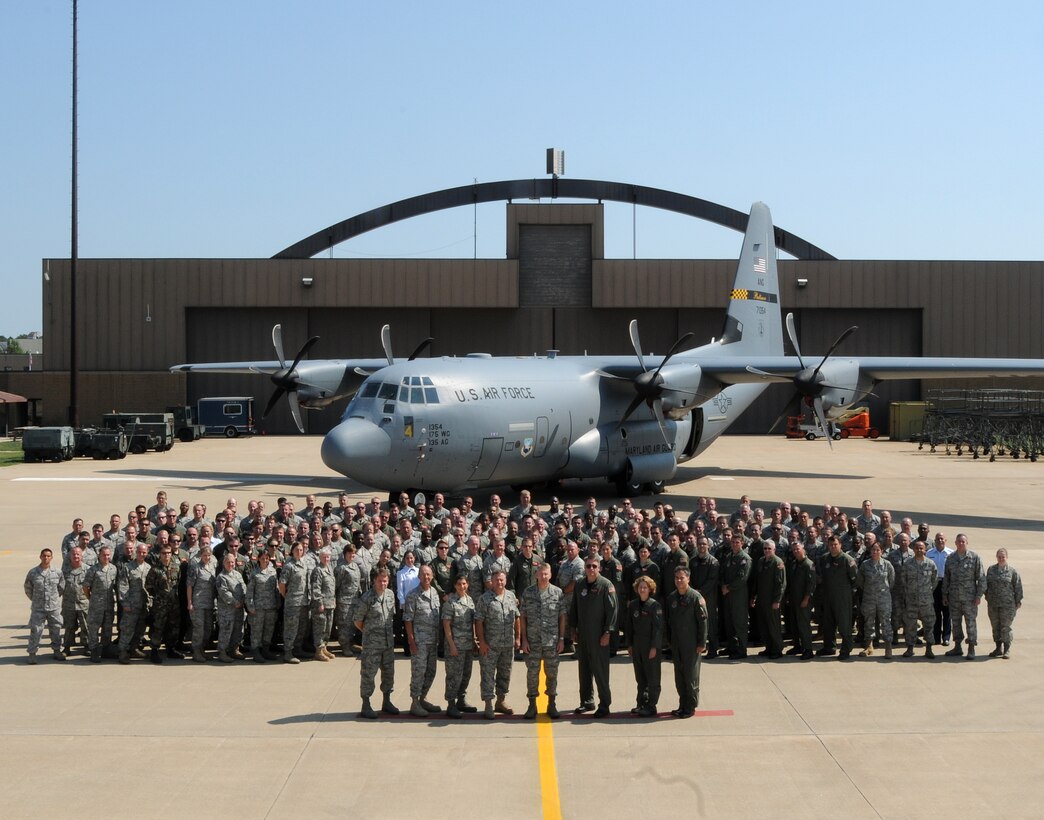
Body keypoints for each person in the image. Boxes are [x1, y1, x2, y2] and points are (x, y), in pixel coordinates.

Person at [569, 557, 618, 718]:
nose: (591, 569)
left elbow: (612, 610)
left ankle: (604, 704)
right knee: (584, 670)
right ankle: (587, 701)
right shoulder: (580, 584)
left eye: (594, 566)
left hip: (599, 636)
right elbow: (574, 607)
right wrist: (573, 628)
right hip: (583, 635)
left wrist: (607, 632)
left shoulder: (606, 585)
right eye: (588, 566)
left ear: (599, 568)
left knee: (600, 671)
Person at [519, 562, 565, 720]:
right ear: (536, 575)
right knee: (532, 673)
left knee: (552, 673)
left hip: (552, 641)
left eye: (546, 574)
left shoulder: (558, 593)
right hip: (532, 642)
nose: (544, 576)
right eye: (541, 574)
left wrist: (561, 639)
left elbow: (562, 617)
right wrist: (524, 640)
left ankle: (551, 704)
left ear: (550, 575)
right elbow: (522, 618)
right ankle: (532, 705)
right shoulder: (528, 593)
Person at [475, 570, 521, 719]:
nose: (499, 582)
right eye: (496, 580)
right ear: (491, 582)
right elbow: (479, 621)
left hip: (508, 644)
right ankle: (488, 704)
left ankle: (500, 701)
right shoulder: (485, 599)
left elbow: (517, 617)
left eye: (501, 580)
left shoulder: (511, 596)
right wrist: (481, 642)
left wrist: (518, 637)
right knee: (488, 675)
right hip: (490, 645)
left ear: (505, 581)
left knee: (505, 674)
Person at [353, 568, 398, 719]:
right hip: (372, 645)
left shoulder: (391, 595)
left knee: (389, 674)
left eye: (385, 581)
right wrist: (369, 632)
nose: (382, 584)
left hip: (388, 643)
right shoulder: (367, 598)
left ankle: (387, 701)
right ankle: (366, 704)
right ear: (374, 580)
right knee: (368, 674)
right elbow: (358, 620)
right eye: (380, 580)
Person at [665, 567, 708, 718]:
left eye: (681, 578)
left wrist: (701, 642)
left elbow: (703, 621)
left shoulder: (696, 597)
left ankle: (690, 706)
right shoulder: (672, 598)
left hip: (691, 644)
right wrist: (669, 641)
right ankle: (682, 704)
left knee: (691, 676)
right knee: (679, 676)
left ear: (688, 579)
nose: (678, 580)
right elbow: (669, 622)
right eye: (676, 578)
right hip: (677, 643)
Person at [404, 565, 442, 716]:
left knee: (431, 672)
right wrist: (411, 640)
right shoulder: (413, 595)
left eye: (429, 574)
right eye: (423, 574)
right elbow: (408, 620)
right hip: (419, 641)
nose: (426, 577)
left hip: (433, 640)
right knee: (418, 673)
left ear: (432, 576)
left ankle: (423, 698)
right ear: (419, 577)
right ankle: (414, 702)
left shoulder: (434, 593)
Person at [624, 575, 663, 717]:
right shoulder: (633, 605)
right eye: (640, 587)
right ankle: (641, 703)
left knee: (652, 676)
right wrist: (629, 644)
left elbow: (658, 629)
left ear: (650, 589)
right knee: (640, 677)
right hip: (637, 644)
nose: (642, 589)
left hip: (649, 645)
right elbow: (629, 626)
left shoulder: (654, 606)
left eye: (645, 587)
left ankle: (651, 705)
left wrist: (654, 647)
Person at [943, 534, 986, 659]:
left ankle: (971, 647)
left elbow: (981, 579)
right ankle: (957, 646)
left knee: (970, 623)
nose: (961, 543)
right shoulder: (950, 558)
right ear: (955, 543)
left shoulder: (974, 557)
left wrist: (978, 596)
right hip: (954, 598)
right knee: (955, 623)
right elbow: (947, 578)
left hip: (970, 599)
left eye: (963, 541)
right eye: (959, 542)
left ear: (967, 543)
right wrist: (945, 595)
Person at [442, 575, 478, 718]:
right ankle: (451, 704)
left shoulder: (469, 601)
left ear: (467, 585)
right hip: (455, 646)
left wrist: (474, 640)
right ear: (455, 586)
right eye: (459, 584)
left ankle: (461, 701)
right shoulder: (450, 602)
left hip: (468, 645)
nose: (462, 586)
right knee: (453, 676)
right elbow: (446, 625)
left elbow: (473, 623)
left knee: (466, 675)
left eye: (464, 584)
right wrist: (451, 645)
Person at [816, 536, 857, 659]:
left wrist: (851, 597)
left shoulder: (847, 560)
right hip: (828, 597)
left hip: (843, 598)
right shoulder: (824, 559)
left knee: (844, 625)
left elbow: (855, 580)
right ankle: (829, 647)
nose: (833, 547)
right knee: (828, 624)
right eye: (831, 545)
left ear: (840, 545)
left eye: (835, 544)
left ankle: (846, 649)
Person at [24, 548, 65, 664]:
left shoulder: (57, 572)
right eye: (44, 556)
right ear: (40, 557)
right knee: (36, 630)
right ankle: (32, 653)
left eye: (48, 556)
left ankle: (57, 651)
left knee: (56, 629)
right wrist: (36, 599)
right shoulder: (33, 572)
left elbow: (61, 587)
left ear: (51, 558)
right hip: (38, 608)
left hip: (53, 607)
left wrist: (54, 599)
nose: (46, 558)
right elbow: (28, 588)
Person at [856, 541, 895, 658]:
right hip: (869, 598)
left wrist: (882, 591)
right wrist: (869, 591)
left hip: (884, 599)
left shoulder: (887, 565)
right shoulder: (865, 565)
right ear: (870, 551)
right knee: (869, 622)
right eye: (873, 550)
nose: (875, 552)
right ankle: (868, 646)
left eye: (878, 550)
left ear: (882, 551)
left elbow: (892, 581)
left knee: (886, 622)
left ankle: (888, 647)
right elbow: (860, 581)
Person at [145, 543, 182, 662]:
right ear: (160, 555)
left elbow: (179, 583)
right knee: (158, 628)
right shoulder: (155, 569)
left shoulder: (176, 567)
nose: (166, 555)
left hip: (174, 603)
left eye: (168, 553)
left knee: (173, 627)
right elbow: (149, 586)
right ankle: (154, 651)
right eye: (164, 553)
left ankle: (170, 649)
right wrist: (156, 599)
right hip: (160, 605)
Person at [901, 541, 938, 658]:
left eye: (921, 548)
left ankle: (929, 649)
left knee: (929, 625)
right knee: (911, 625)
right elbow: (903, 580)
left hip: (926, 601)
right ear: (914, 550)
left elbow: (935, 580)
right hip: (911, 601)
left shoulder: (931, 564)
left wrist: (927, 592)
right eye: (917, 548)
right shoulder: (908, 564)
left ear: (925, 550)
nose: (919, 550)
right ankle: (910, 648)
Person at [117, 544, 152, 664]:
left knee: (140, 629)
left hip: (144, 605)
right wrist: (125, 603)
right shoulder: (128, 567)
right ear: (136, 552)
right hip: (131, 604)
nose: (142, 554)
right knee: (127, 628)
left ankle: (134, 649)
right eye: (140, 552)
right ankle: (123, 651)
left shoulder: (148, 567)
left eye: (144, 552)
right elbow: (122, 586)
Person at [985, 548, 1022, 659]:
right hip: (993, 604)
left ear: (1006, 557)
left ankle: (1007, 649)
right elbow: (986, 585)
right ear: (996, 557)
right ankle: (998, 648)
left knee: (1005, 627)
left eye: (1003, 557)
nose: (1001, 559)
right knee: (995, 626)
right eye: (999, 557)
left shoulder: (1012, 571)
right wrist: (988, 598)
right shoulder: (991, 570)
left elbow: (1018, 587)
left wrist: (1018, 601)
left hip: (1007, 605)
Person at [83, 544, 118, 662]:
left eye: (108, 555)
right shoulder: (93, 570)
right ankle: (94, 650)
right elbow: (86, 586)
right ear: (99, 555)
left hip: (109, 605)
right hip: (96, 605)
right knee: (93, 628)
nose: (106, 557)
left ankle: (105, 650)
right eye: (104, 555)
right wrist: (91, 598)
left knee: (107, 629)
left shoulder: (113, 569)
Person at [752, 539, 785, 658]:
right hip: (762, 599)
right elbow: (758, 581)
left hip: (772, 600)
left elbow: (781, 584)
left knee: (773, 626)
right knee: (764, 626)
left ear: (774, 550)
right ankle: (769, 648)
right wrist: (754, 596)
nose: (766, 550)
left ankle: (777, 649)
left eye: (769, 549)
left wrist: (777, 600)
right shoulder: (761, 561)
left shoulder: (777, 562)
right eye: (765, 548)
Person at [721, 533, 752, 659]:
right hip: (727, 594)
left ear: (742, 543)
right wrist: (723, 585)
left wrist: (728, 587)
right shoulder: (729, 556)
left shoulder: (745, 558)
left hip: (738, 595)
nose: (734, 544)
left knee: (739, 623)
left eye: (737, 542)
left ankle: (742, 650)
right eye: (733, 542)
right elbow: (723, 572)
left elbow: (742, 578)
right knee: (729, 622)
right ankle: (732, 647)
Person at [278, 541, 310, 664]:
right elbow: (282, 584)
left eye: (301, 550)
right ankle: (288, 652)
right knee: (291, 627)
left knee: (301, 627)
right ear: (292, 551)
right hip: (292, 602)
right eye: (296, 550)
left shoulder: (304, 563)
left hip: (303, 601)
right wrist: (286, 595)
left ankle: (298, 649)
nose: (299, 552)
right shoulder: (289, 565)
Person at [246, 549, 280, 662]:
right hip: (258, 607)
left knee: (268, 629)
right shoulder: (254, 573)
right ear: (258, 559)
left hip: (270, 606)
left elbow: (276, 589)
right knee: (256, 630)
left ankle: (265, 650)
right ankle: (255, 651)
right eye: (262, 558)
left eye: (267, 558)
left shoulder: (273, 571)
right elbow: (249, 592)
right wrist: (250, 607)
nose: (265, 560)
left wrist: (277, 602)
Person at [785, 542, 816, 660]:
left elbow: (811, 585)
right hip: (794, 599)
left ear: (803, 549)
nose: (795, 551)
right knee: (794, 625)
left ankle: (808, 649)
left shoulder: (809, 564)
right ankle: (797, 646)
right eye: (793, 550)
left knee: (804, 626)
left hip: (804, 600)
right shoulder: (794, 563)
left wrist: (806, 599)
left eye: (797, 549)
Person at [186, 544, 218, 662]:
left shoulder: (213, 566)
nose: (207, 557)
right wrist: (190, 603)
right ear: (200, 556)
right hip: (198, 603)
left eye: (209, 555)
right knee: (199, 629)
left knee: (208, 628)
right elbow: (189, 586)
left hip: (209, 603)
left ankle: (202, 650)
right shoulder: (196, 567)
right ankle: (196, 651)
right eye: (205, 555)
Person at [215, 552, 247, 662]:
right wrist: (235, 602)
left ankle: (234, 650)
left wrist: (243, 600)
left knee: (238, 630)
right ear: (224, 563)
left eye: (232, 562)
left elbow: (244, 588)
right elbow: (224, 593)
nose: (231, 564)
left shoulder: (237, 574)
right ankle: (222, 652)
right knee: (226, 630)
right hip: (227, 610)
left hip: (239, 609)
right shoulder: (221, 577)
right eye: (228, 562)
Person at [334, 544, 363, 656]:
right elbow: (336, 585)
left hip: (355, 600)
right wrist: (335, 600)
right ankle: (344, 646)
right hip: (344, 601)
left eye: (353, 553)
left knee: (352, 625)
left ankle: (350, 644)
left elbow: (358, 583)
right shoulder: (341, 568)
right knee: (344, 625)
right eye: (349, 553)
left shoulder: (355, 566)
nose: (352, 555)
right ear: (344, 554)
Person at [61, 546, 90, 656]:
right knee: (69, 627)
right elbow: (59, 586)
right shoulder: (64, 571)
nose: (76, 556)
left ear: (82, 556)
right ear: (69, 556)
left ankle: (87, 646)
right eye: (73, 554)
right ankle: (67, 648)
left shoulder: (88, 570)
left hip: (84, 603)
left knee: (86, 627)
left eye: (78, 554)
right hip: (69, 604)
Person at [926, 532, 953, 646]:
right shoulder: (929, 553)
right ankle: (936, 637)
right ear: (935, 541)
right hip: (934, 584)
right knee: (935, 612)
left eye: (942, 538)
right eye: (938, 539)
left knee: (947, 613)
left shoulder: (951, 553)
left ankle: (946, 637)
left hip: (947, 584)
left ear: (945, 540)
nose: (940, 541)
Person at [310, 549, 337, 661]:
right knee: (320, 628)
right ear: (320, 558)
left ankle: (324, 647)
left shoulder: (329, 569)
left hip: (330, 604)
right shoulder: (318, 570)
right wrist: (319, 603)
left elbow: (332, 586)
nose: (326, 559)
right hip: (321, 605)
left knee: (328, 627)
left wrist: (334, 600)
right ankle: (318, 651)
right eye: (324, 557)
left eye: (328, 557)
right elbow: (315, 589)